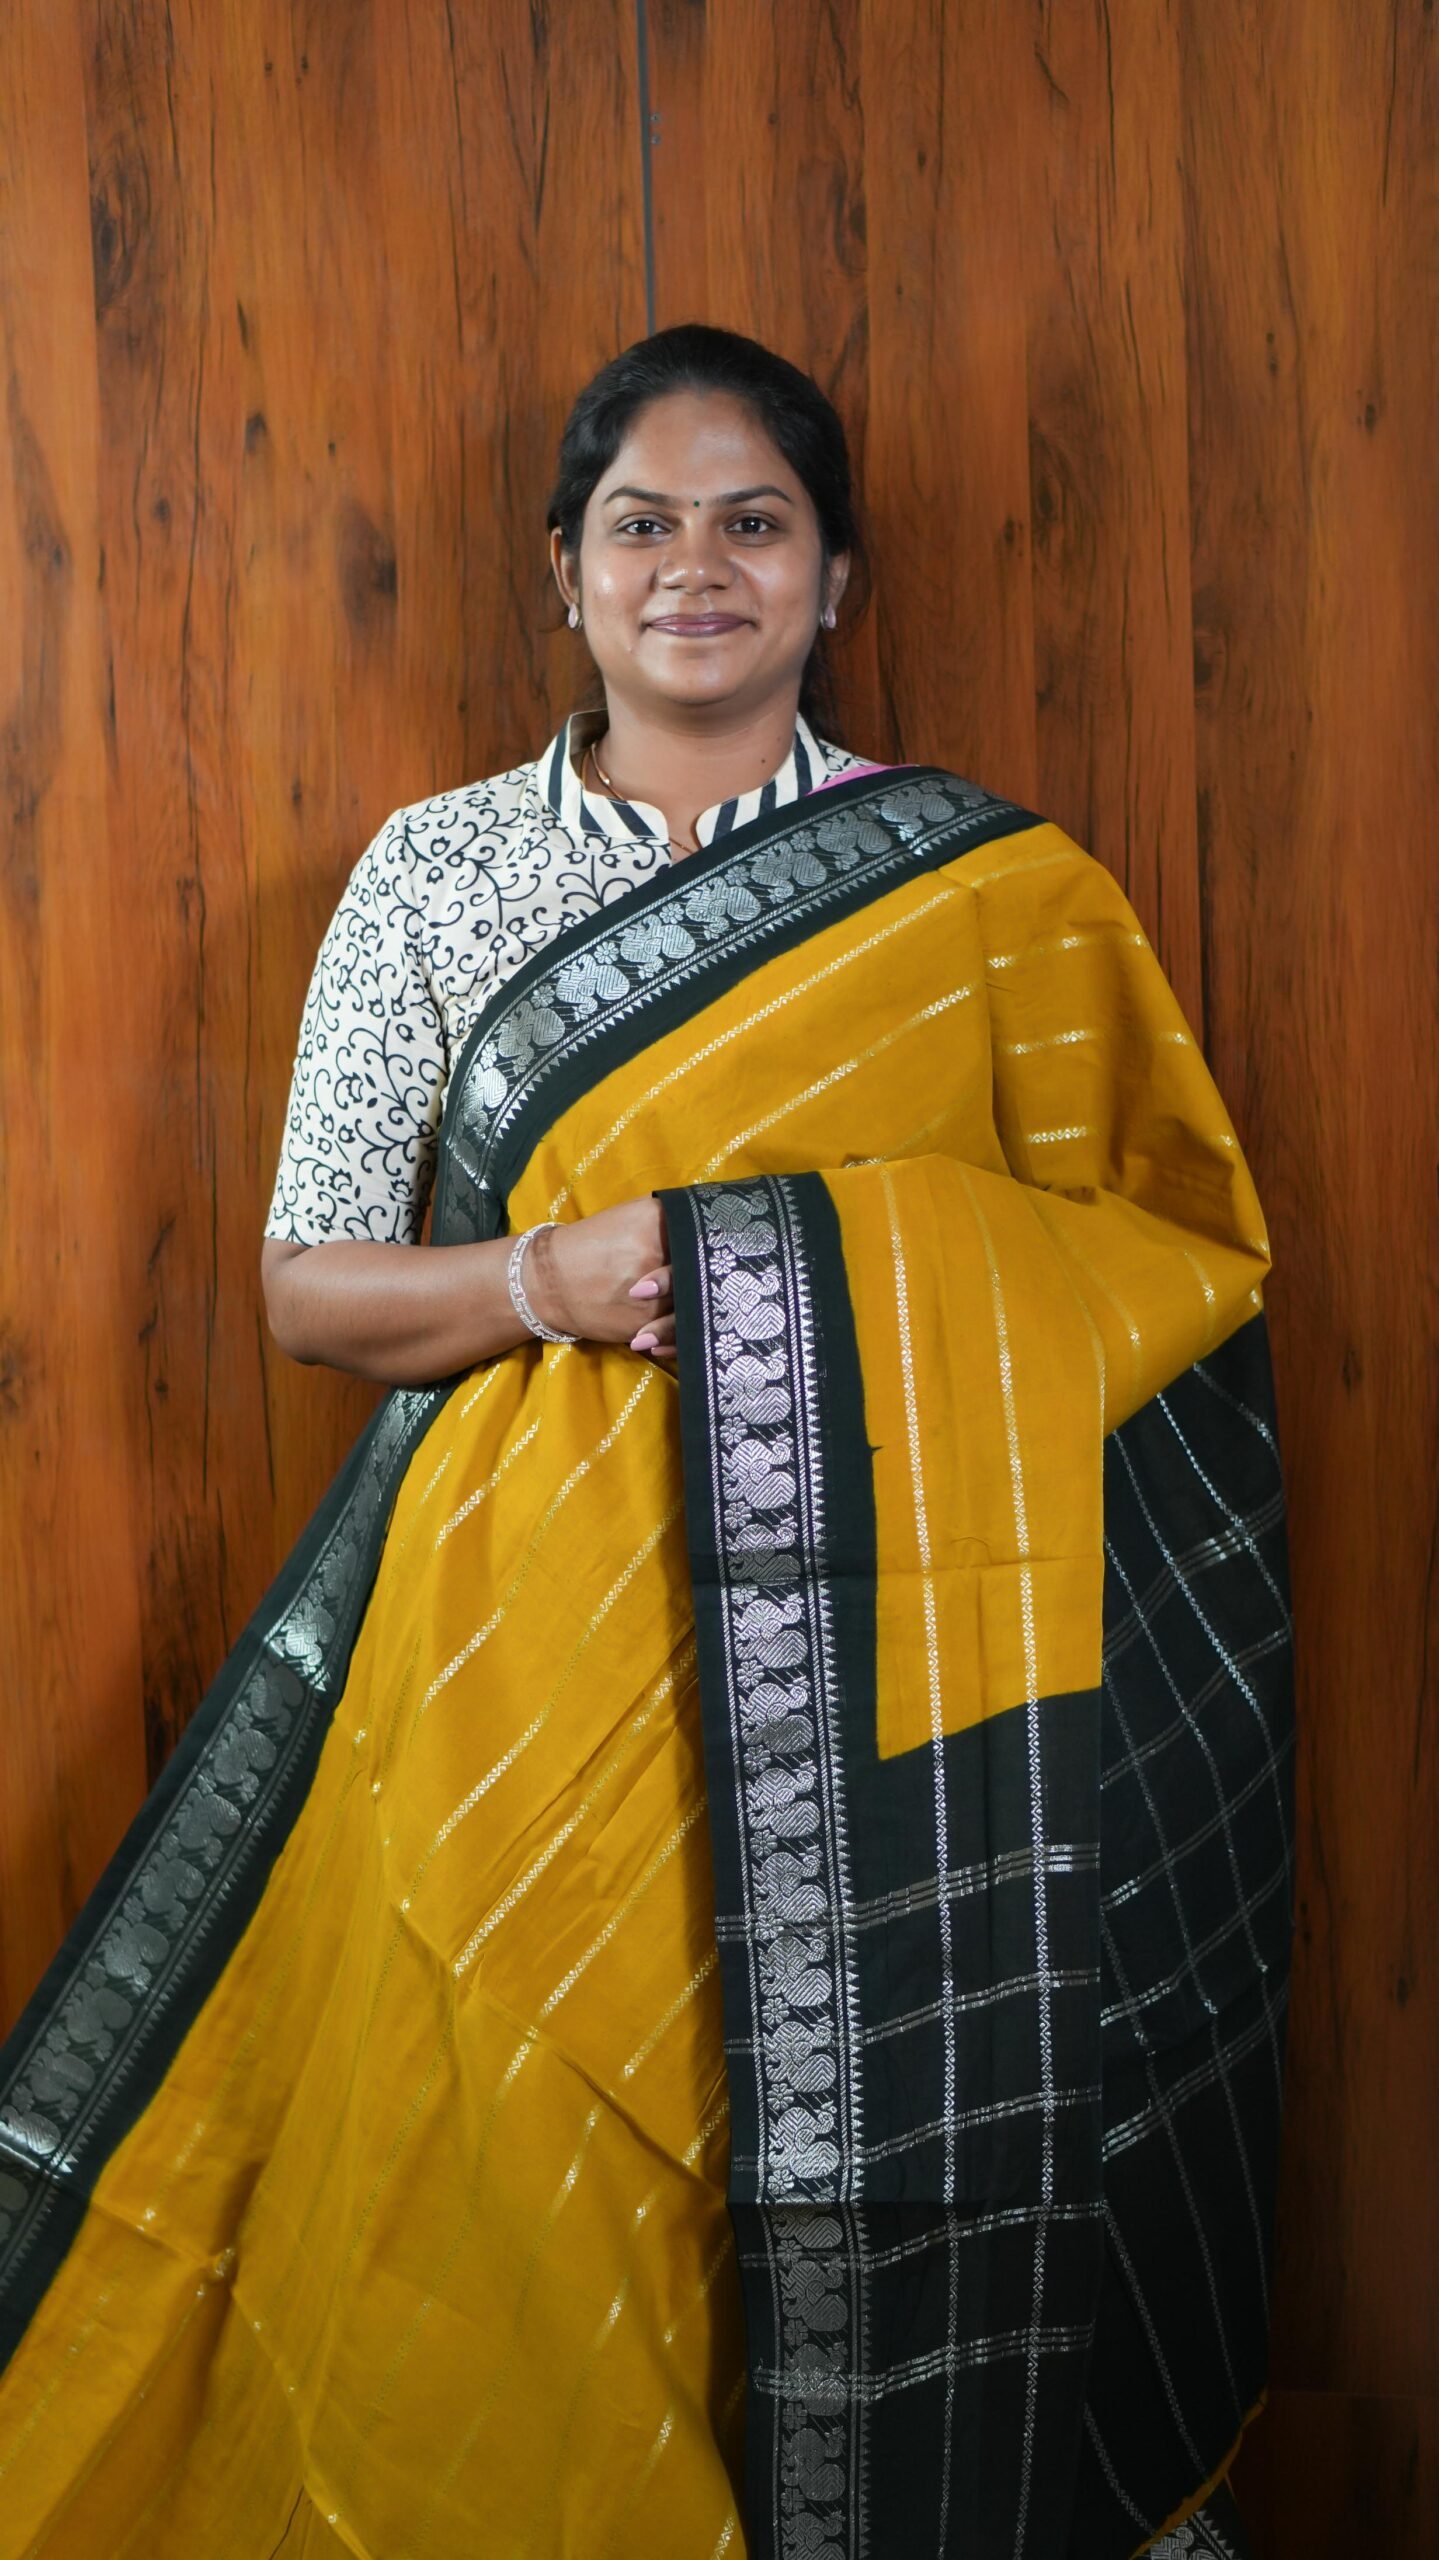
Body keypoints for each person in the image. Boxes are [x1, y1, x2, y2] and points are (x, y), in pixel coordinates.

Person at [0, 327, 1292, 2560]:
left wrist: (842, 1272)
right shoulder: (438, 872)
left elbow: (1165, 1250)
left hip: (886, 1672)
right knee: (519, 2143)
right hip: (512, 1656)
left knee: (842, 2149)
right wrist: (549, 1277)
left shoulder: (986, 896)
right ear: (567, 575)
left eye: (753, 521)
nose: (697, 566)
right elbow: (310, 1285)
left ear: (835, 573)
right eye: (643, 524)